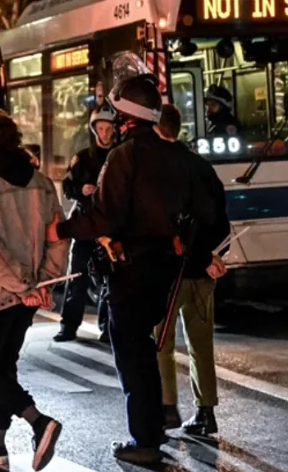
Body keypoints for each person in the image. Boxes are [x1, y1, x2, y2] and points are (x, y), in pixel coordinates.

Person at [47, 73, 217, 464]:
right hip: (166, 270)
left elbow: (104, 216)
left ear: (126, 116)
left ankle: (145, 440)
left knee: (134, 356)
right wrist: (190, 249)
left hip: (131, 270)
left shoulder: (125, 155)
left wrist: (61, 229)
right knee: (144, 347)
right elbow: (209, 213)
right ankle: (153, 427)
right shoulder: (179, 156)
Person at [0, 110, 68, 471]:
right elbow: (58, 238)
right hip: (27, 294)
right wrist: (41, 283)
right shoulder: (42, 184)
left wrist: (21, 287)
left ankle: (39, 422)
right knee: (4, 367)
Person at [153, 104, 230, 437]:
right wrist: (213, 256)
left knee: (161, 344)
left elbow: (162, 225)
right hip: (203, 272)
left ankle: (167, 408)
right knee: (201, 344)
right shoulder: (201, 167)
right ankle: (205, 411)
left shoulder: (157, 168)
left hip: (167, 272)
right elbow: (220, 221)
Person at [54, 102, 115, 343]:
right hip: (84, 225)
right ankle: (68, 327)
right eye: (100, 128)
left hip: (109, 227)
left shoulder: (119, 156)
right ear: (94, 130)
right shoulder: (82, 158)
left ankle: (107, 329)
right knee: (76, 278)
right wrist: (82, 189)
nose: (104, 133)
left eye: (108, 128)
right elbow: (67, 188)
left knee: (110, 281)